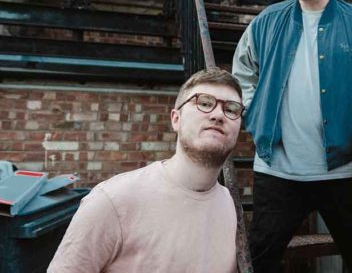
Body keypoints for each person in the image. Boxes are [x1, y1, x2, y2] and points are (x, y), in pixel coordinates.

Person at [232, 0, 352, 272]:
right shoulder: (266, 22)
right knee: (259, 259)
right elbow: (242, 74)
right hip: (277, 170)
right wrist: (254, 111)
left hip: (344, 170)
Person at [48, 67, 243, 272]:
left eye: (231, 109)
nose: (218, 115)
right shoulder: (113, 200)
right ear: (176, 119)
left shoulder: (228, 203)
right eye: (204, 103)